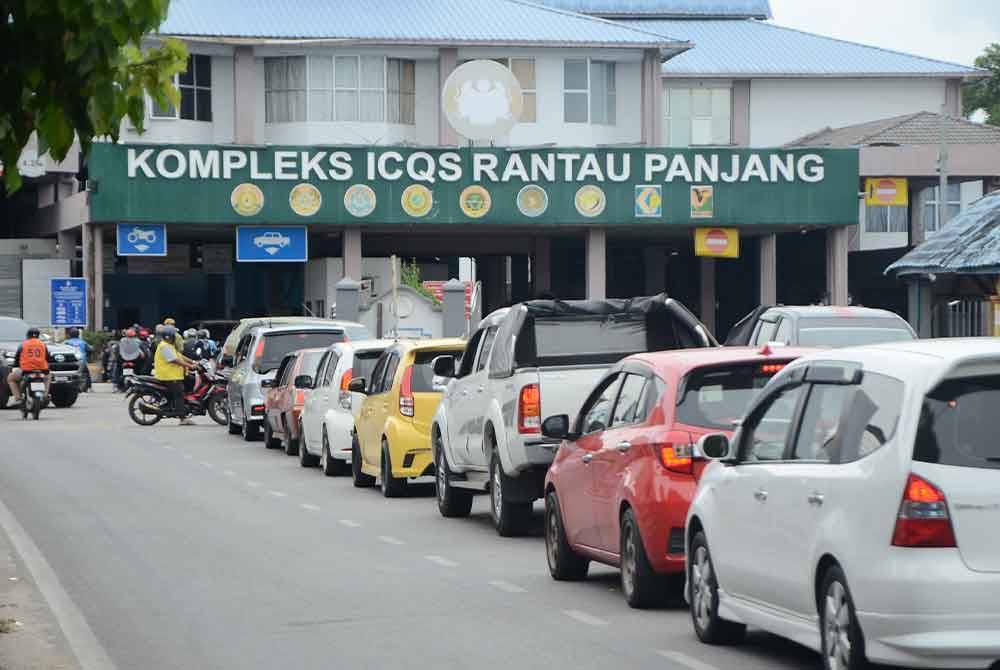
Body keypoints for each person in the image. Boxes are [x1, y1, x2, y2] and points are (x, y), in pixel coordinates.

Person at [154, 325, 197, 425]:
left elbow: (180, 356)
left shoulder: (169, 346)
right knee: (179, 394)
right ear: (169, 336)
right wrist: (190, 366)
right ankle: (182, 418)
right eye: (174, 335)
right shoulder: (164, 346)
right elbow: (174, 360)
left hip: (173, 375)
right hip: (169, 376)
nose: (176, 337)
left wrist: (193, 362)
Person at [6, 328, 50, 405]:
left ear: (28, 335)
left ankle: (18, 398)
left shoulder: (23, 344)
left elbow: (17, 359)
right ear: (38, 336)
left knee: (10, 378)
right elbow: (47, 358)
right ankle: (45, 395)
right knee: (48, 377)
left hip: (26, 370)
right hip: (42, 370)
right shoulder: (43, 344)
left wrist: (14, 366)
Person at [63, 328, 92, 392]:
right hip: (81, 361)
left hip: (69, 362)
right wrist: (87, 356)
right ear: (78, 334)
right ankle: (87, 387)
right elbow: (90, 349)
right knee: (85, 374)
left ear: (69, 335)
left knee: (69, 374)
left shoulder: (66, 342)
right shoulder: (83, 342)